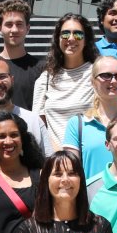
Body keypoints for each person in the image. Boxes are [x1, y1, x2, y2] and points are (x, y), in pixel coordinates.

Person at [33, 13, 99, 150]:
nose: (71, 38)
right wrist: (59, 154)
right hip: (56, 158)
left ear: (86, 40)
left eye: (78, 34)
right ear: (58, 39)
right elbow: (38, 124)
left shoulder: (97, 73)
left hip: (88, 154)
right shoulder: (45, 79)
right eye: (65, 34)